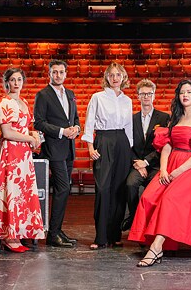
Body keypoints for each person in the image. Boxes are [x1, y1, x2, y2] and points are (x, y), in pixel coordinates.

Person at [128, 79, 191, 267]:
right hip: (172, 164)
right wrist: (164, 169)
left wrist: (180, 170)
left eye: (189, 92)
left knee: (170, 199)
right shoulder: (176, 118)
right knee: (148, 197)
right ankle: (158, 242)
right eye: (182, 92)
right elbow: (166, 146)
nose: (185, 95)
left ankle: (156, 248)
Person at [0, 68, 45, 252]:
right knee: (11, 192)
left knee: (22, 193)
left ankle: (17, 232)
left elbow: (24, 126)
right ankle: (8, 236)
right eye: (13, 80)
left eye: (19, 79)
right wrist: (31, 138)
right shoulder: (4, 102)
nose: (16, 83)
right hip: (10, 152)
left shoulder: (23, 101)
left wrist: (32, 133)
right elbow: (7, 132)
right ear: (7, 82)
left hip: (23, 154)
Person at [81, 62, 134, 250]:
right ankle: (100, 237)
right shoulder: (97, 97)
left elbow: (129, 128)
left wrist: (129, 150)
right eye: (111, 75)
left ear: (123, 77)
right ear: (107, 77)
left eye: (118, 74)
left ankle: (114, 236)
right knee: (103, 189)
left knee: (119, 191)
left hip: (122, 143)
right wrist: (90, 147)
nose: (115, 78)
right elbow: (89, 123)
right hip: (103, 140)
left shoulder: (128, 100)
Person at [34, 59, 80, 248]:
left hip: (69, 148)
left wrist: (77, 127)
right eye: (55, 72)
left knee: (64, 189)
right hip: (53, 148)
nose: (58, 75)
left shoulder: (70, 94)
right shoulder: (43, 95)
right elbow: (39, 122)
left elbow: (75, 118)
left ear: (66, 74)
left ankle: (57, 230)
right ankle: (53, 234)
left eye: (61, 72)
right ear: (49, 74)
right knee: (63, 188)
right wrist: (62, 131)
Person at [121, 79, 170, 232]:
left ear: (154, 96)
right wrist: (137, 163)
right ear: (138, 96)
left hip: (155, 164)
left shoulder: (164, 118)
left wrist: (146, 162)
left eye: (149, 94)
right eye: (143, 94)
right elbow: (126, 144)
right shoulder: (131, 118)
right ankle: (134, 216)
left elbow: (165, 145)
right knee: (130, 184)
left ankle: (151, 220)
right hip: (136, 163)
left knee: (153, 190)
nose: (146, 97)